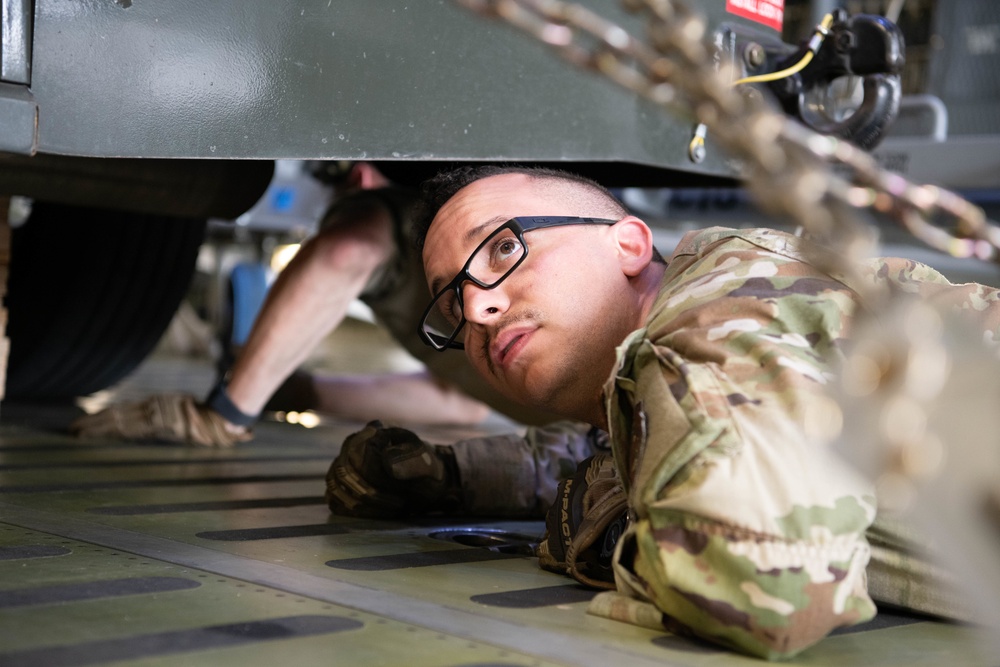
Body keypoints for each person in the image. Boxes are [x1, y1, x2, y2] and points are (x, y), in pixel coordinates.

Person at [359, 164, 999, 659]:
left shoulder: (716, 320)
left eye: (501, 250)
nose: (477, 310)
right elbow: (618, 444)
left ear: (630, 245)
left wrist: (599, 539)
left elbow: (767, 590)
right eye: (451, 306)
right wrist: (439, 474)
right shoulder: (703, 329)